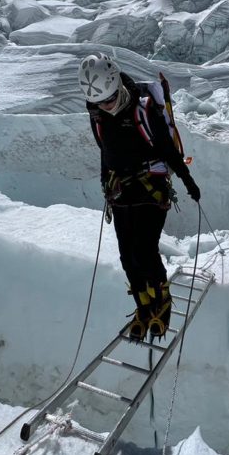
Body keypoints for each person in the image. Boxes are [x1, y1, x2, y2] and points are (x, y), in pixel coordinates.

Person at [78, 52, 201, 341]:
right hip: (120, 187)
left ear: (116, 84)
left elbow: (168, 151)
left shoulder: (143, 110)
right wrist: (104, 184)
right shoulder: (97, 113)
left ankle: (163, 304)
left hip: (151, 184)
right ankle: (144, 307)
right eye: (99, 103)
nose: (106, 107)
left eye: (108, 100)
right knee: (127, 255)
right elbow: (105, 152)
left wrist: (187, 180)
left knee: (144, 250)